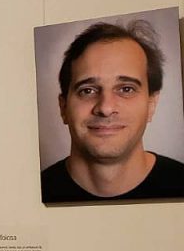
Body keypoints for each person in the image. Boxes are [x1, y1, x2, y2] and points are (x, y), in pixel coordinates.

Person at [41, 20, 184, 202]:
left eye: (126, 89)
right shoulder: (30, 194)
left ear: (151, 105)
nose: (106, 108)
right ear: (63, 108)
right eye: (87, 90)